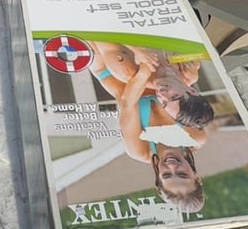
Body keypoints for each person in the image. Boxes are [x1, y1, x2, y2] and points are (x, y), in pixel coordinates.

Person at [88, 42, 212, 213]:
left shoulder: (140, 150)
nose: (172, 166)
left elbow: (127, 102)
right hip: (153, 67)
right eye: (182, 174)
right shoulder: (194, 137)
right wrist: (191, 72)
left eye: (166, 175)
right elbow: (181, 92)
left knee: (126, 70)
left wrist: (145, 70)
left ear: (158, 179)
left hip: (112, 68)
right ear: (196, 177)